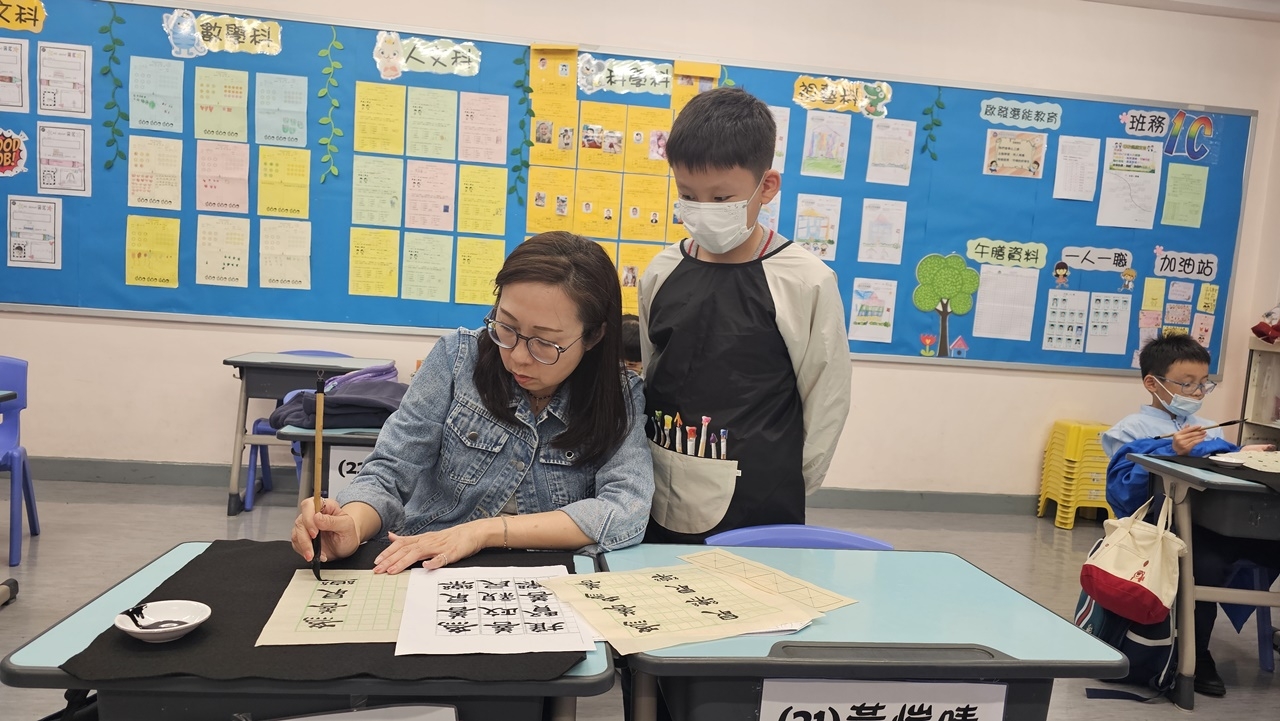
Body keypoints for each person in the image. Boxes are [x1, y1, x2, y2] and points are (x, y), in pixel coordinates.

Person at [292, 232, 654, 573]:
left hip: (551, 576)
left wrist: (484, 532)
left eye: (545, 343)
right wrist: (351, 524)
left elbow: (626, 509)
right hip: (430, 564)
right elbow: (390, 471)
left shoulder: (618, 394)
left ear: (593, 336)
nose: (517, 356)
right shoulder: (457, 359)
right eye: (506, 327)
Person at [637, 87, 851, 544]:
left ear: (766, 187)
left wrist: (795, 480)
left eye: (721, 199)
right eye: (688, 195)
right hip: (661, 480)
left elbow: (826, 397)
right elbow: (651, 369)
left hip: (761, 494)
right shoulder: (662, 271)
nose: (703, 211)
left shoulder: (805, 281)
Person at [1102, 334, 1278, 698]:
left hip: (1219, 525)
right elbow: (1126, 494)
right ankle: (1196, 653)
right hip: (1164, 529)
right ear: (1153, 383)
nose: (1197, 392)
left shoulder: (1209, 426)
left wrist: (1244, 454)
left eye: (1203, 384)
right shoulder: (1130, 430)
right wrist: (1170, 449)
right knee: (1204, 565)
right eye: (1186, 383)